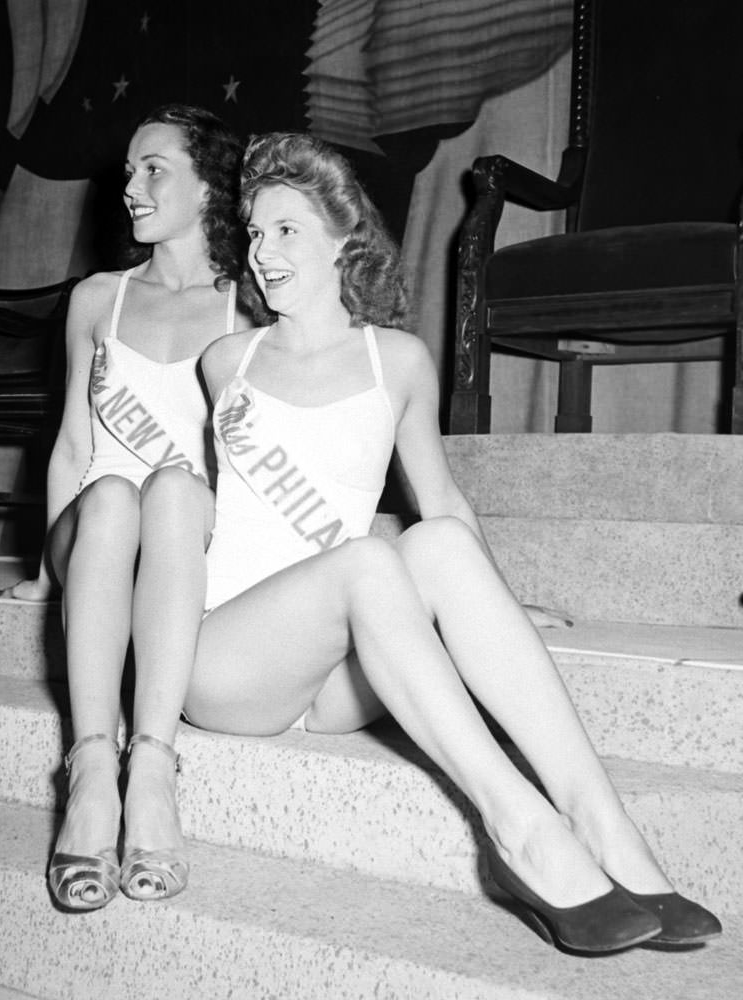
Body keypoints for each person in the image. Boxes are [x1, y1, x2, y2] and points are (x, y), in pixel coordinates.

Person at [141, 132, 721, 953]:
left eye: (286, 231)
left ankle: (604, 823)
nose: (263, 253)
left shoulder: (400, 363)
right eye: (256, 232)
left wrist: (499, 607)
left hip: (339, 678)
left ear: (345, 241)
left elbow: (443, 501)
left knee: (438, 543)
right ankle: (519, 827)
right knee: (373, 555)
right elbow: (200, 510)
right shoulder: (225, 361)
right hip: (233, 660)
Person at [1, 104, 253, 911]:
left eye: (155, 170)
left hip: (184, 530)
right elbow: (74, 446)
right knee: (111, 493)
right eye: (129, 172)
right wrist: (47, 573)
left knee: (176, 485)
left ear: (211, 187)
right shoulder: (95, 300)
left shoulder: (245, 309)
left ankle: (152, 766)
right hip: (99, 527)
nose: (132, 188)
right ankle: (90, 772)